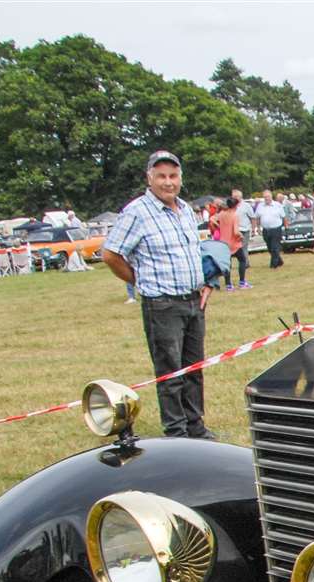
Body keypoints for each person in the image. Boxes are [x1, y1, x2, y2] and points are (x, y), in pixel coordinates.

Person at [100, 149, 213, 439]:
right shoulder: (137, 212)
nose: (168, 182)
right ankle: (177, 434)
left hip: (192, 301)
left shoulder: (186, 209)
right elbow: (111, 254)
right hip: (161, 304)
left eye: (173, 176)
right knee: (170, 373)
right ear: (149, 178)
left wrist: (204, 282)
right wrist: (139, 281)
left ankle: (196, 427)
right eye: (161, 176)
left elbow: (193, 252)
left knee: (193, 369)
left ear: (180, 178)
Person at [215, 196, 249, 289]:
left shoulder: (221, 214)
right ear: (236, 205)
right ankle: (242, 282)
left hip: (223, 242)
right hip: (234, 243)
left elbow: (213, 219)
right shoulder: (234, 216)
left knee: (227, 264)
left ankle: (228, 284)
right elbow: (235, 232)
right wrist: (241, 236)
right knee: (242, 260)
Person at [257, 189, 287, 269]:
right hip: (266, 229)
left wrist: (286, 226)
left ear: (271, 197)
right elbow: (258, 218)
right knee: (270, 248)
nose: (266, 198)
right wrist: (258, 228)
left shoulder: (277, 205)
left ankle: (273, 265)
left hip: (276, 229)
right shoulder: (260, 206)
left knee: (275, 247)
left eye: (268, 196)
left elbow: (283, 216)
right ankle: (279, 261)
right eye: (265, 197)